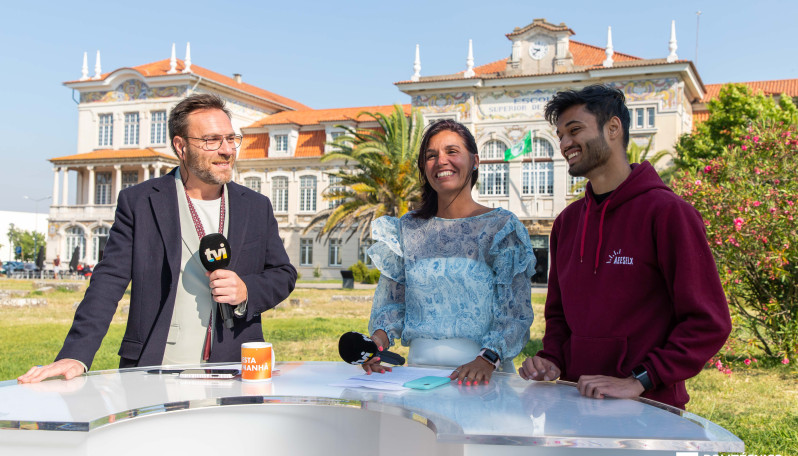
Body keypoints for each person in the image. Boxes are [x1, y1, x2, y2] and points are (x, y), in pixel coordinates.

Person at [19, 93, 296, 383]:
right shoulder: (140, 202)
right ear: (181, 146)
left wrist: (246, 289)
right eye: (212, 140)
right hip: (156, 368)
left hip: (237, 368)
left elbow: (283, 274)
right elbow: (108, 281)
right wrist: (75, 354)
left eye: (231, 138)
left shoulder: (255, 205)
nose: (227, 150)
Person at [518, 85, 731, 409]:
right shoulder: (567, 223)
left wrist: (640, 380)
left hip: (649, 410)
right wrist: (552, 359)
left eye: (574, 130)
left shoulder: (669, 214)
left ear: (613, 128)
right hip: (573, 405)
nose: (564, 144)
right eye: (560, 135)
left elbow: (708, 322)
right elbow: (559, 317)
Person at [363, 119, 536, 386]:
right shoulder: (406, 229)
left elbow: (514, 312)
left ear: (475, 161)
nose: (441, 160)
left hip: (483, 375)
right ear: (424, 168)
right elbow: (393, 305)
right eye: (431, 156)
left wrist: (488, 358)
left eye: (452, 151)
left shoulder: (502, 228)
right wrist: (377, 342)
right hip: (419, 376)